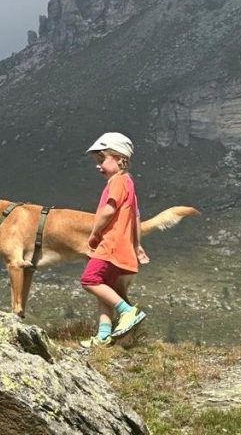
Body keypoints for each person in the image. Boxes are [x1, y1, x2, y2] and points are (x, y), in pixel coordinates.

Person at [79, 132, 147, 347]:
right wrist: (137, 245)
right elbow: (136, 217)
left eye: (102, 160)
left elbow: (108, 211)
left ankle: (128, 312)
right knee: (103, 288)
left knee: (89, 280)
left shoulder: (117, 181)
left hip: (110, 244)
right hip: (121, 246)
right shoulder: (129, 183)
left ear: (119, 159)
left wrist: (94, 233)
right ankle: (104, 335)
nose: (98, 166)